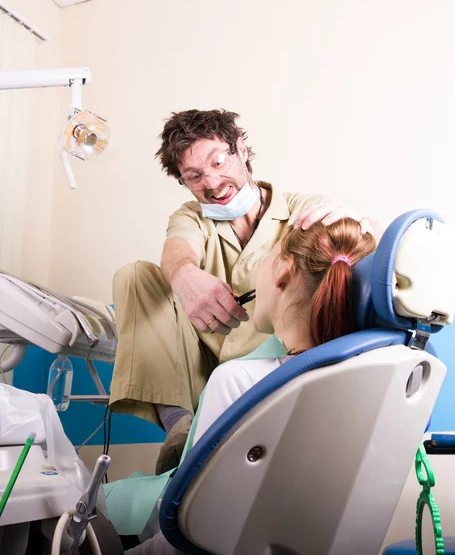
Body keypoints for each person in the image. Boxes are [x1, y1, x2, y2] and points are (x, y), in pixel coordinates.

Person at [108, 108, 380, 475]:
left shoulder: (302, 210)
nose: (213, 182)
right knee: (135, 275)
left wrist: (364, 223)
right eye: (195, 176)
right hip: (201, 360)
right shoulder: (191, 216)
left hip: (275, 359)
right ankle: (177, 425)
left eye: (218, 161)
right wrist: (184, 274)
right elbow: (178, 247)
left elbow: (353, 240)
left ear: (242, 150)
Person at [124, 217, 377, 555]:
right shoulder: (371, 378)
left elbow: (193, 536)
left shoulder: (238, 381)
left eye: (264, 260)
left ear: (284, 270)